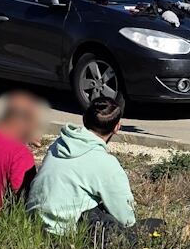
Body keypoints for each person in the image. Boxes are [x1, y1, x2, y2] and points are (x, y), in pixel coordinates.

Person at [28, 98, 142, 236]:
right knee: (154, 226)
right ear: (117, 127)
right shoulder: (105, 163)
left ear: (84, 119)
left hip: (32, 224)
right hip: (63, 234)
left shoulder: (59, 144)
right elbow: (126, 219)